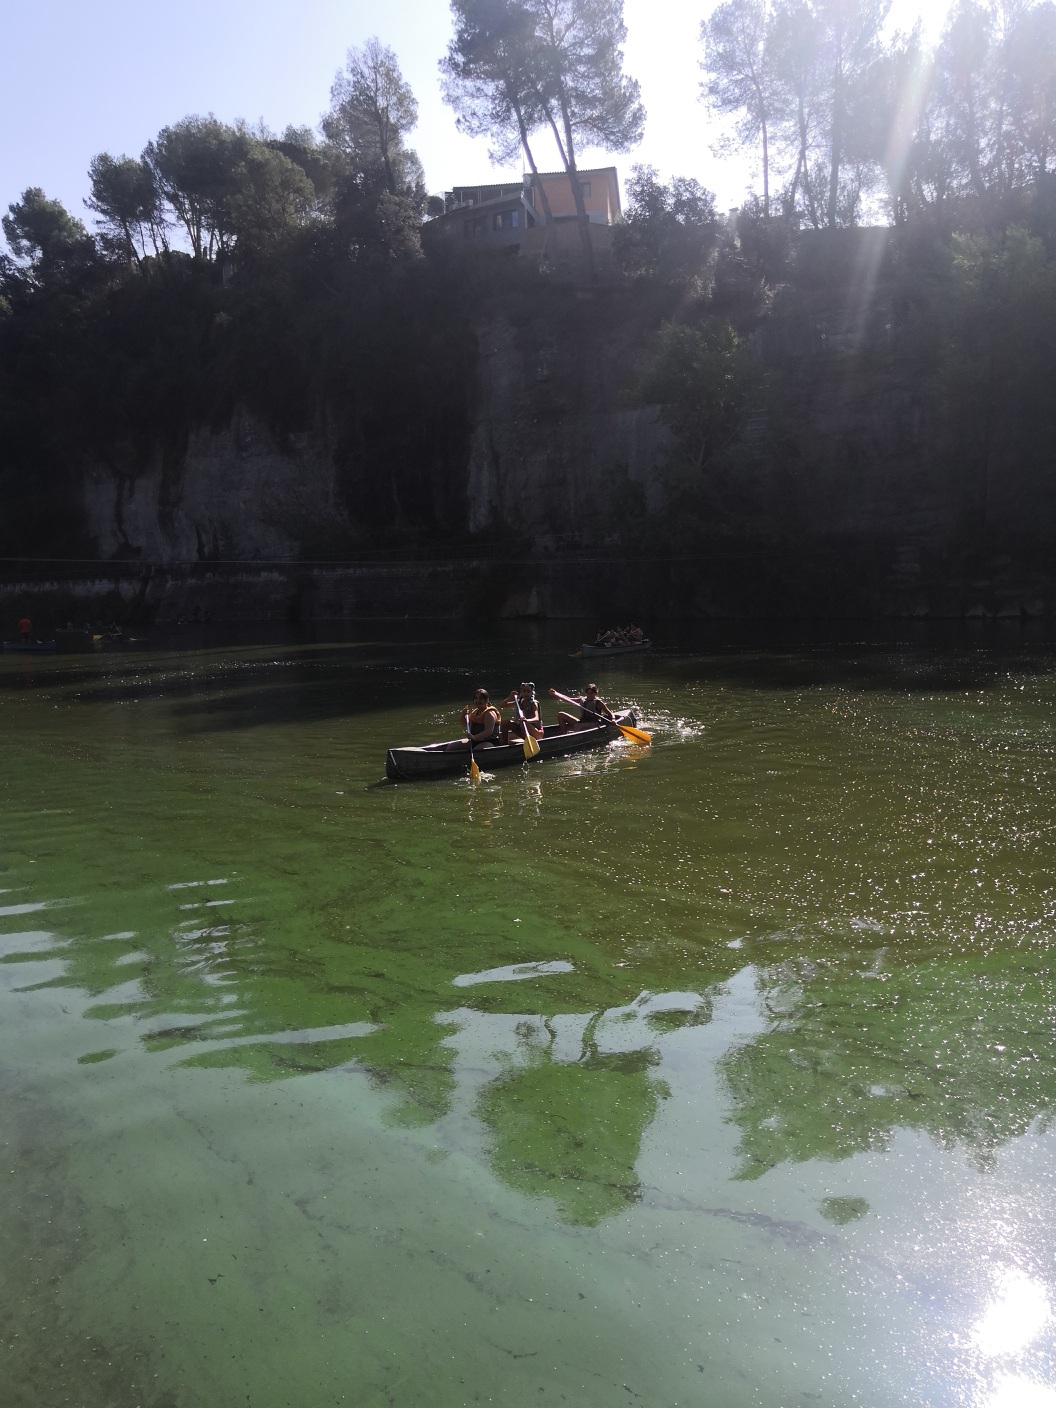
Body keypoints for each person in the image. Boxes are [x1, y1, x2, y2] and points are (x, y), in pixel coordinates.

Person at [550, 682, 615, 733]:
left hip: (594, 724)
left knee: (578, 726)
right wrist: (555, 693)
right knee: (560, 715)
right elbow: (568, 699)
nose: (589, 695)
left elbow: (610, 713)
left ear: (595, 693)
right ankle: (564, 735)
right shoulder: (582, 700)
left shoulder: (598, 703)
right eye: (588, 693)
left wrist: (613, 720)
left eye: (591, 693)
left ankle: (573, 736)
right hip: (582, 722)